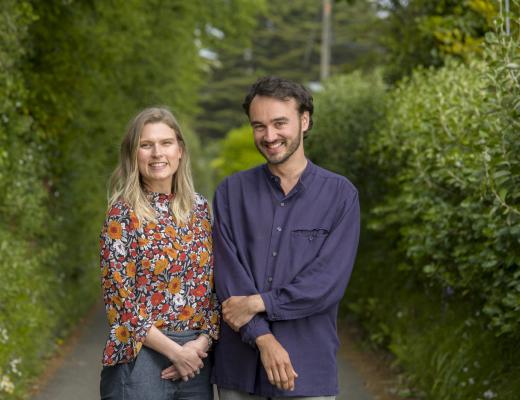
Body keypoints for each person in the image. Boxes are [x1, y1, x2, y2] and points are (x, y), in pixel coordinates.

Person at [211, 76, 360, 400]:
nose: (269, 136)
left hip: (306, 369)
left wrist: (259, 302)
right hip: (239, 371)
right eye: (259, 126)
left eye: (280, 123)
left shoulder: (340, 196)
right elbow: (228, 279)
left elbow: (326, 283)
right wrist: (263, 338)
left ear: (304, 121)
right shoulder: (230, 193)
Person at [99, 107, 219, 400]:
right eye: (146, 144)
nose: (157, 153)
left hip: (195, 360)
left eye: (166, 143)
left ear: (180, 150)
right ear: (133, 154)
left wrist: (201, 343)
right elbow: (121, 302)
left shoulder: (200, 209)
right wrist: (175, 352)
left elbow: (215, 288)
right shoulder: (122, 214)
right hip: (141, 358)